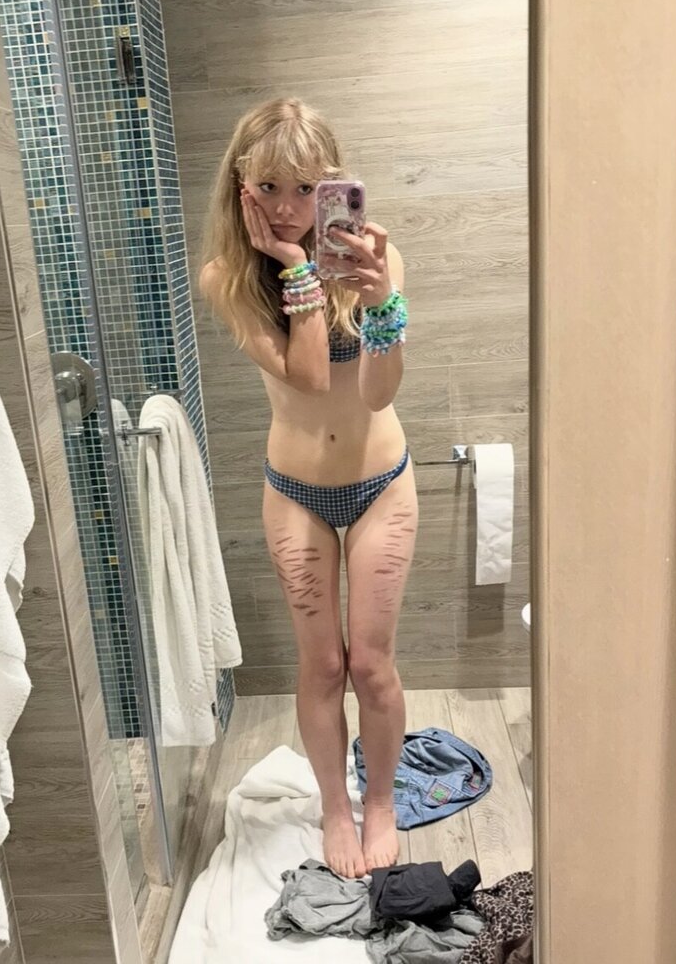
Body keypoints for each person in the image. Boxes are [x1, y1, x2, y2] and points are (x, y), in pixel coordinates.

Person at [199, 97, 417, 878]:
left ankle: (380, 802)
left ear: (333, 184)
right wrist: (296, 271)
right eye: (270, 187)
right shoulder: (228, 278)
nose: (289, 207)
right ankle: (334, 809)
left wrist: (380, 299)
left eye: (305, 187)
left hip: (380, 484)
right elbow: (310, 375)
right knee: (322, 664)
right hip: (295, 492)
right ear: (241, 187)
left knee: (372, 665)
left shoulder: (375, 259)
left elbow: (378, 394)